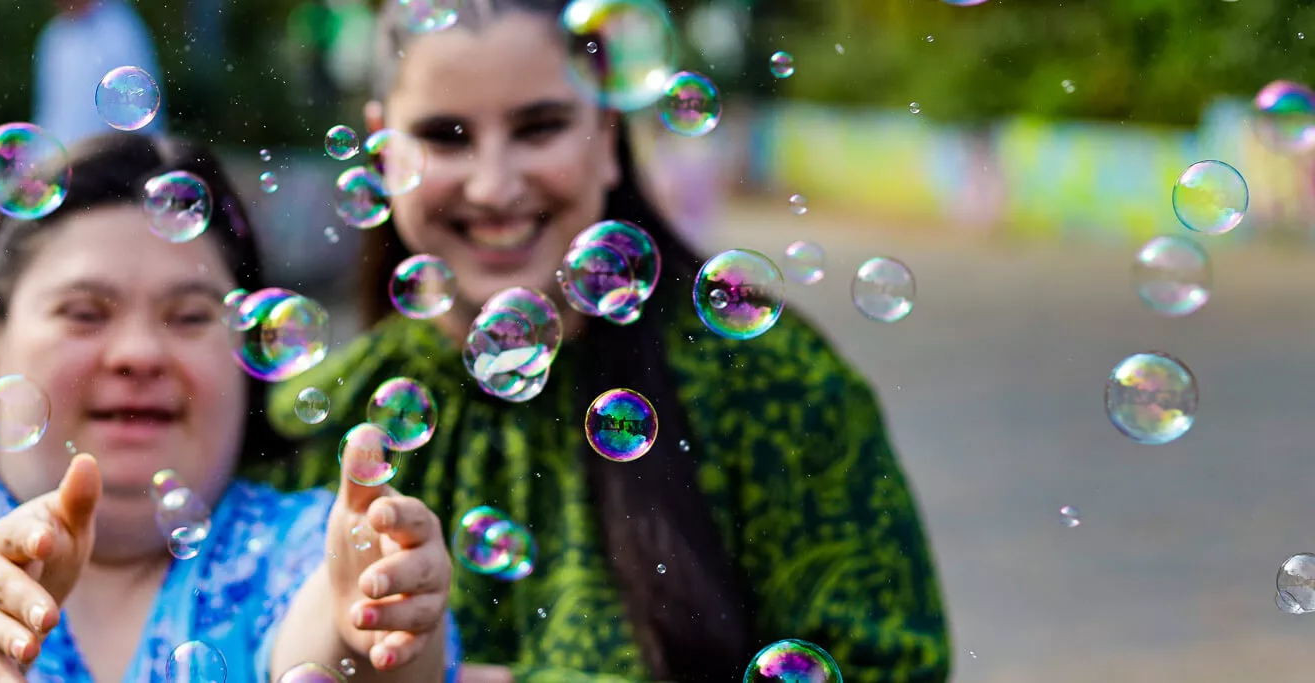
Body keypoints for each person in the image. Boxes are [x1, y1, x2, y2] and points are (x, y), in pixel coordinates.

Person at [258, 2, 952, 682]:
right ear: (382, 149)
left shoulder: (773, 384)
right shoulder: (319, 418)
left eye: (540, 128)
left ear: (608, 130)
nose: (495, 186)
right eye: (446, 135)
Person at [0, 133, 460, 683]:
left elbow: (326, 641)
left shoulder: (303, 543)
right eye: (85, 312)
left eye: (189, 316)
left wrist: (362, 618)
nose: (139, 353)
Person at [32, 0, 163, 148]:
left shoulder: (119, 27)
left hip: (111, 159)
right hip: (62, 159)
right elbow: (50, 114)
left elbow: (140, 104)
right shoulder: (53, 36)